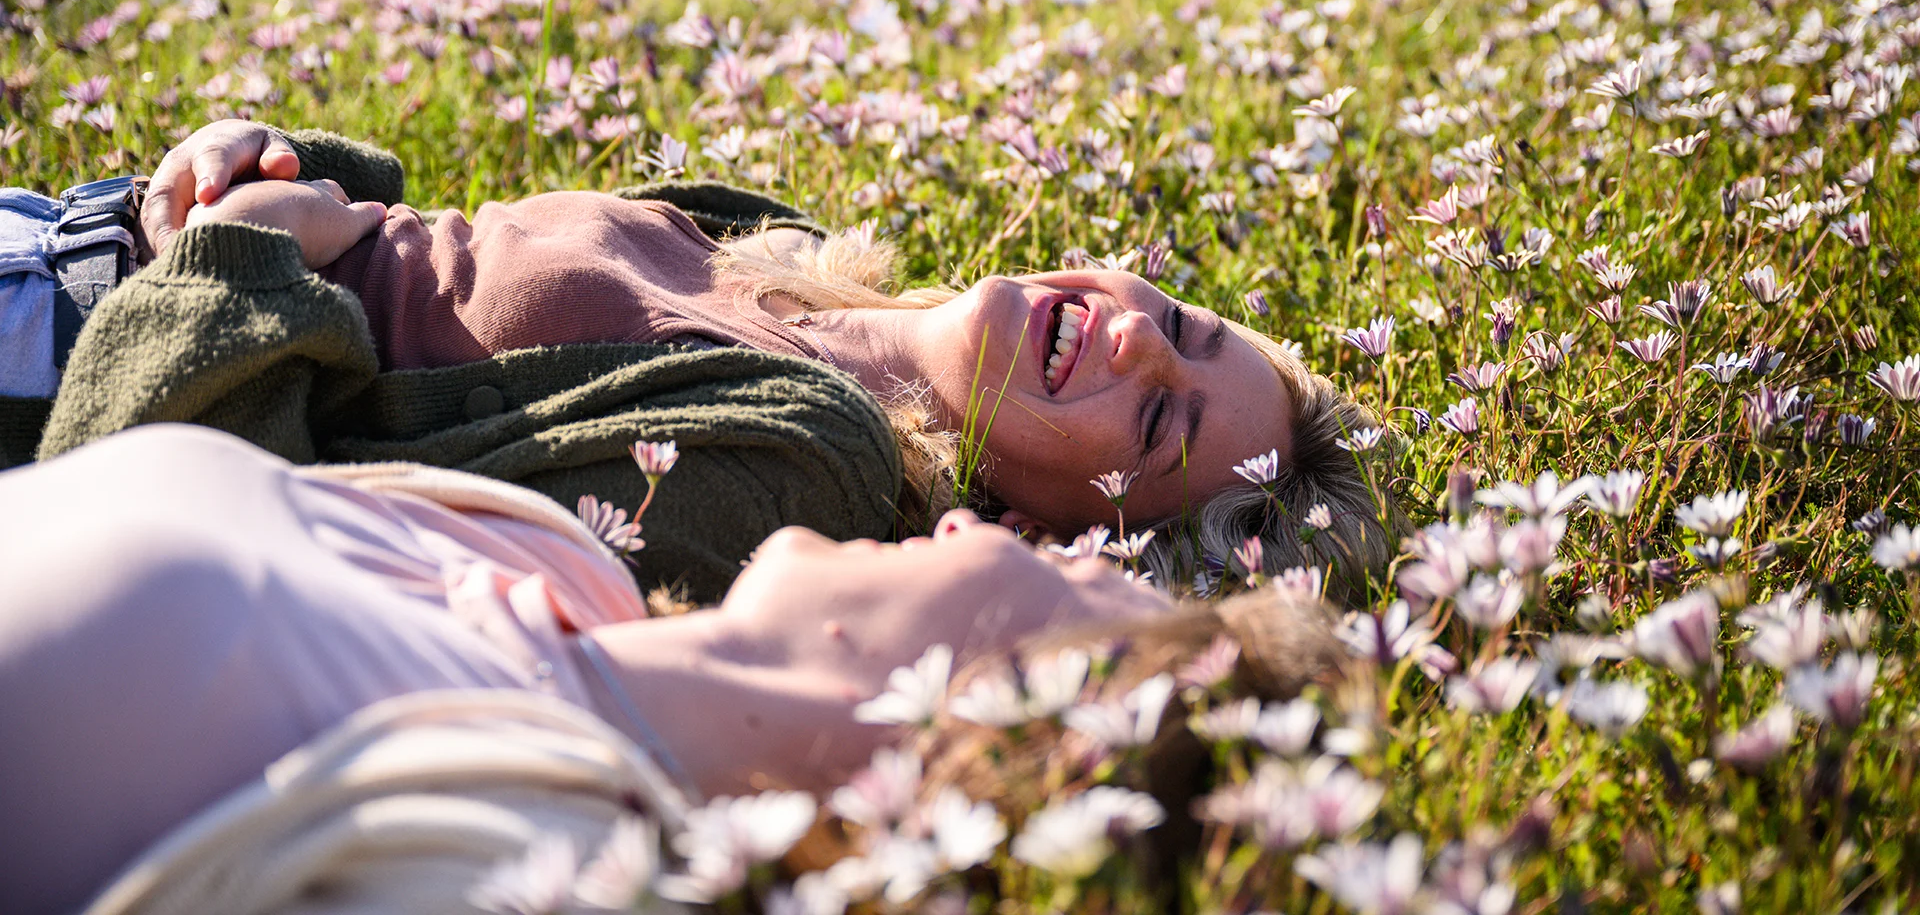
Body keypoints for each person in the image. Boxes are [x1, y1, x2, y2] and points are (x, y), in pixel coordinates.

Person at [21, 119, 1398, 600]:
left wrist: (246, 250)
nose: (1143, 335)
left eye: (1157, 422)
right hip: (59, 233)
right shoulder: (788, 244)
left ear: (1075, 538)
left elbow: (173, 529)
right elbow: (439, 251)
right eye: (1194, 326)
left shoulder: (782, 484)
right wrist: (265, 164)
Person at [0, 423, 1337, 913]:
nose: (968, 522)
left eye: (1075, 573)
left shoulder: (528, 861)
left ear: (1043, 714)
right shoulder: (564, 567)